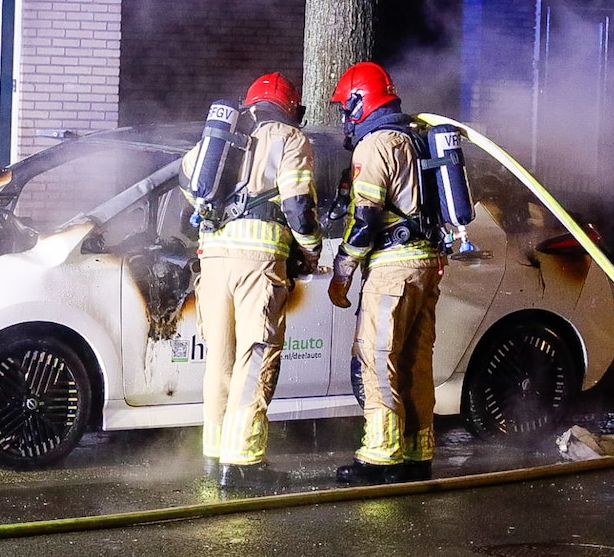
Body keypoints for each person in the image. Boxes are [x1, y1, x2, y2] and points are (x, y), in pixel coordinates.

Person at [180, 72, 322, 488]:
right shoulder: (290, 138)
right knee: (255, 357)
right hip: (257, 265)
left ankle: (216, 453)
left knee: (220, 361)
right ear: (290, 107)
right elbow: (298, 206)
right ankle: (243, 464)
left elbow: (192, 186)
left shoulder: (223, 138)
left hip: (214, 261)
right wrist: (311, 251)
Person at [327, 62, 442, 484]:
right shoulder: (413, 139)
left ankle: (380, 456)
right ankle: (417, 452)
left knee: (378, 359)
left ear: (361, 101)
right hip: (425, 264)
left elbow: (365, 220)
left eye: (346, 107)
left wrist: (342, 272)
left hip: (392, 268)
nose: (345, 117)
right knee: (414, 361)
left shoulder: (374, 144)